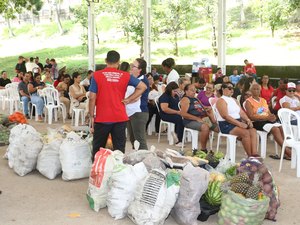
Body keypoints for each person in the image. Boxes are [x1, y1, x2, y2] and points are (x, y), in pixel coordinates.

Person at [89, 50, 146, 159]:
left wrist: (91, 115)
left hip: (102, 118)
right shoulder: (125, 75)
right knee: (119, 150)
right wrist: (129, 99)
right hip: (120, 118)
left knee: (98, 150)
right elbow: (142, 86)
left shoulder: (97, 75)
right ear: (118, 62)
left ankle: (97, 173)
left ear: (106, 61)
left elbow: (92, 97)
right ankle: (117, 172)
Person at [245, 83, 291, 159]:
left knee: (281, 127)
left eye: (258, 89)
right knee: (275, 129)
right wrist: (267, 118)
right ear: (251, 90)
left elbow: (268, 112)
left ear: (260, 90)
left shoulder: (263, 100)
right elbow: (251, 117)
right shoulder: (248, 101)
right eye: (254, 89)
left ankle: (285, 152)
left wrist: (271, 116)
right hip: (257, 122)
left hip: (266, 120)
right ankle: (287, 151)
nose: (256, 90)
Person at [215, 82, 259, 157]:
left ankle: (254, 155)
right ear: (223, 89)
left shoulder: (234, 100)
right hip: (226, 124)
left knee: (253, 131)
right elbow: (225, 116)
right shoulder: (221, 100)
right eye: (229, 88)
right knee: (245, 133)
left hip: (236, 122)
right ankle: (250, 156)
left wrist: (248, 120)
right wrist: (240, 124)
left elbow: (241, 112)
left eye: (233, 88)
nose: (231, 90)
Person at [180, 84, 218, 152]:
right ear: (186, 91)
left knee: (219, 128)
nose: (194, 92)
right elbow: (183, 114)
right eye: (192, 90)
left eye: (195, 90)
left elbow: (203, 107)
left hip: (203, 118)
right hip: (190, 121)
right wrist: (197, 118)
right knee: (205, 127)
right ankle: (203, 149)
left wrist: (210, 109)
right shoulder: (185, 99)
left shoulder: (195, 98)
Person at [126, 58, 150, 150]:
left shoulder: (143, 80)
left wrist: (125, 100)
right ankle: (137, 161)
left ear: (140, 70)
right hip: (130, 112)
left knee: (140, 141)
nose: (131, 67)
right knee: (133, 140)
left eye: (133, 66)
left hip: (139, 112)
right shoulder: (132, 78)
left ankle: (145, 162)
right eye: (131, 65)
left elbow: (136, 97)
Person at [158, 82, 184, 146]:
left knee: (185, 117)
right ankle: (179, 140)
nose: (176, 92)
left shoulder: (175, 96)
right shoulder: (164, 97)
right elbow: (165, 109)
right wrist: (177, 112)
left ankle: (178, 133)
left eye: (176, 91)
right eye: (174, 91)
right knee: (180, 119)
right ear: (170, 90)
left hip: (175, 113)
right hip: (166, 115)